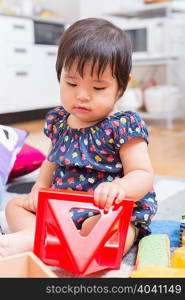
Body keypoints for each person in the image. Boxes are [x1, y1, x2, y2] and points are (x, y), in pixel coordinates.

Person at [0, 18, 157, 257]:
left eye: (98, 88)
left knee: (110, 230)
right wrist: (38, 190)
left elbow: (142, 174)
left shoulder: (123, 125)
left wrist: (118, 189)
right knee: (15, 206)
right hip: (62, 206)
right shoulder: (59, 121)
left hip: (103, 208)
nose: (82, 95)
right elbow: (51, 160)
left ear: (122, 86)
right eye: (72, 82)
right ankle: (36, 236)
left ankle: (83, 243)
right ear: (59, 76)